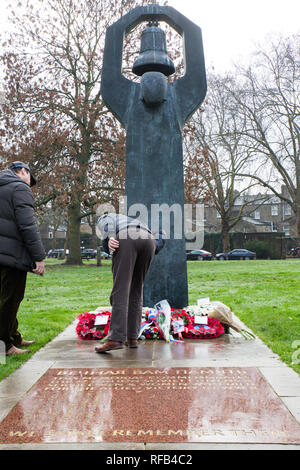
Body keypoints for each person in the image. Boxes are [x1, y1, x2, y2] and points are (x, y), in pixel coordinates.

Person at [95, 213, 165, 353]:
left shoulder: (104, 217)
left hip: (126, 238)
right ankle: (132, 337)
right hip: (149, 239)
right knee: (136, 290)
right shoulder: (133, 220)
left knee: (121, 290)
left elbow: (107, 227)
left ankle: (115, 338)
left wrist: (109, 239)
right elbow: (159, 242)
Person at [0, 161, 46, 356]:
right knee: (10, 299)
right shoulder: (19, 188)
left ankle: (14, 336)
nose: (29, 183)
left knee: (5, 297)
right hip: (12, 256)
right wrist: (39, 258)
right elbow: (27, 225)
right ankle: (5, 346)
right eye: (29, 178)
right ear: (22, 171)